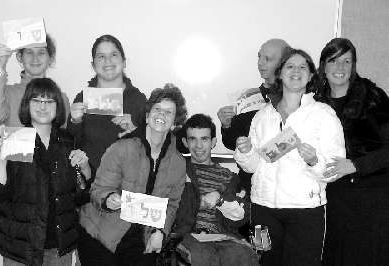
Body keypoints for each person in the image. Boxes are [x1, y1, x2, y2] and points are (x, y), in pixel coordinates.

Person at [234, 49, 345, 266]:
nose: (296, 71)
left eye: (303, 67)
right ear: (280, 74)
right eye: (290, 66)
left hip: (305, 212)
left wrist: (314, 161)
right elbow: (251, 166)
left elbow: (334, 168)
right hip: (262, 210)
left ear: (311, 75)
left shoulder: (324, 114)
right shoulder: (262, 115)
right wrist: (245, 151)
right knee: (264, 261)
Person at [77, 84, 188, 266]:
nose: (161, 114)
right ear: (147, 115)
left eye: (169, 112)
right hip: (101, 235)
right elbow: (98, 189)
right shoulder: (121, 147)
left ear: (175, 122)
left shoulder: (179, 162)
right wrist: (108, 198)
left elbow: (171, 205)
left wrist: (160, 232)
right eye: (157, 109)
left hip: (141, 241)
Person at [0, 78, 92, 266]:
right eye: (36, 99)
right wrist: (0, 163)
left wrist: (84, 169)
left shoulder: (68, 141)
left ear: (57, 106)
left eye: (49, 101)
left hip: (59, 246)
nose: (43, 106)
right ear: (27, 104)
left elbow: (80, 197)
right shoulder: (15, 139)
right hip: (20, 247)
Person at [315, 38, 389, 266]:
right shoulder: (314, 103)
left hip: (373, 195)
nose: (340, 68)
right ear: (323, 66)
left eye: (347, 61)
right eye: (334, 61)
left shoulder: (373, 98)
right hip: (335, 197)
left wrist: (355, 165)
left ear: (353, 66)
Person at [170, 113, 255, 266]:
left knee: (244, 254)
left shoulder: (229, 177)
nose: (198, 146)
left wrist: (220, 198)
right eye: (192, 139)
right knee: (202, 255)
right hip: (188, 235)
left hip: (223, 235)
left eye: (204, 139)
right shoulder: (177, 171)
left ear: (213, 142)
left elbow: (241, 216)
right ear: (185, 142)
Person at [217, 38, 291, 195]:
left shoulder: (296, 99)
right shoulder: (248, 98)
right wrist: (226, 125)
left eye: (267, 59)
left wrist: (261, 158)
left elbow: (294, 138)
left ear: (284, 63)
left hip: (286, 186)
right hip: (251, 186)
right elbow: (233, 144)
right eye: (259, 57)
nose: (260, 63)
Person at [67, 34, 146, 171]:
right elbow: (70, 144)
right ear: (93, 65)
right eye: (101, 56)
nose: (108, 61)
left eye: (113, 55)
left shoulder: (139, 100)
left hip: (128, 183)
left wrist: (133, 129)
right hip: (91, 182)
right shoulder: (83, 98)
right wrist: (74, 121)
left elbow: (151, 148)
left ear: (124, 62)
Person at [0, 34, 71, 127]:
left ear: (51, 58)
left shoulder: (59, 97)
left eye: (41, 52)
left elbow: (65, 135)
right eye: (29, 52)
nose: (35, 58)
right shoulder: (8, 93)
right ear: (19, 57)